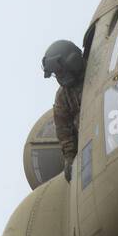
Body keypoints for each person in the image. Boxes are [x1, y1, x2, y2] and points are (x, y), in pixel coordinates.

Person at [42, 39, 84, 181]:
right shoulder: (63, 97)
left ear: (73, 63)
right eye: (56, 74)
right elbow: (63, 130)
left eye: (60, 72)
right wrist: (70, 157)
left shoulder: (97, 71)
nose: (59, 77)